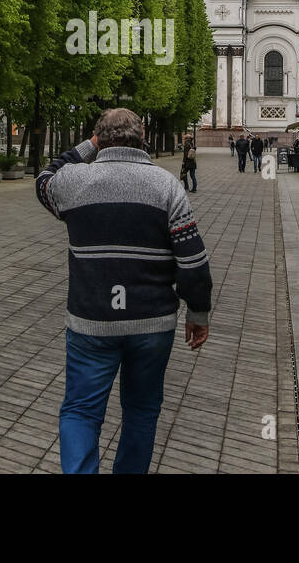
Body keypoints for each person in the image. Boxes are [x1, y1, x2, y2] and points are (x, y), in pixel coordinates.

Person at [36, 108, 212, 474]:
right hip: (152, 324)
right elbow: (192, 261)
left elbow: (44, 178)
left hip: (91, 322)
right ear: (143, 137)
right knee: (142, 411)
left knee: (81, 411)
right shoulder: (167, 186)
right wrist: (198, 313)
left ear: (99, 139)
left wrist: (89, 146)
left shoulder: (73, 182)